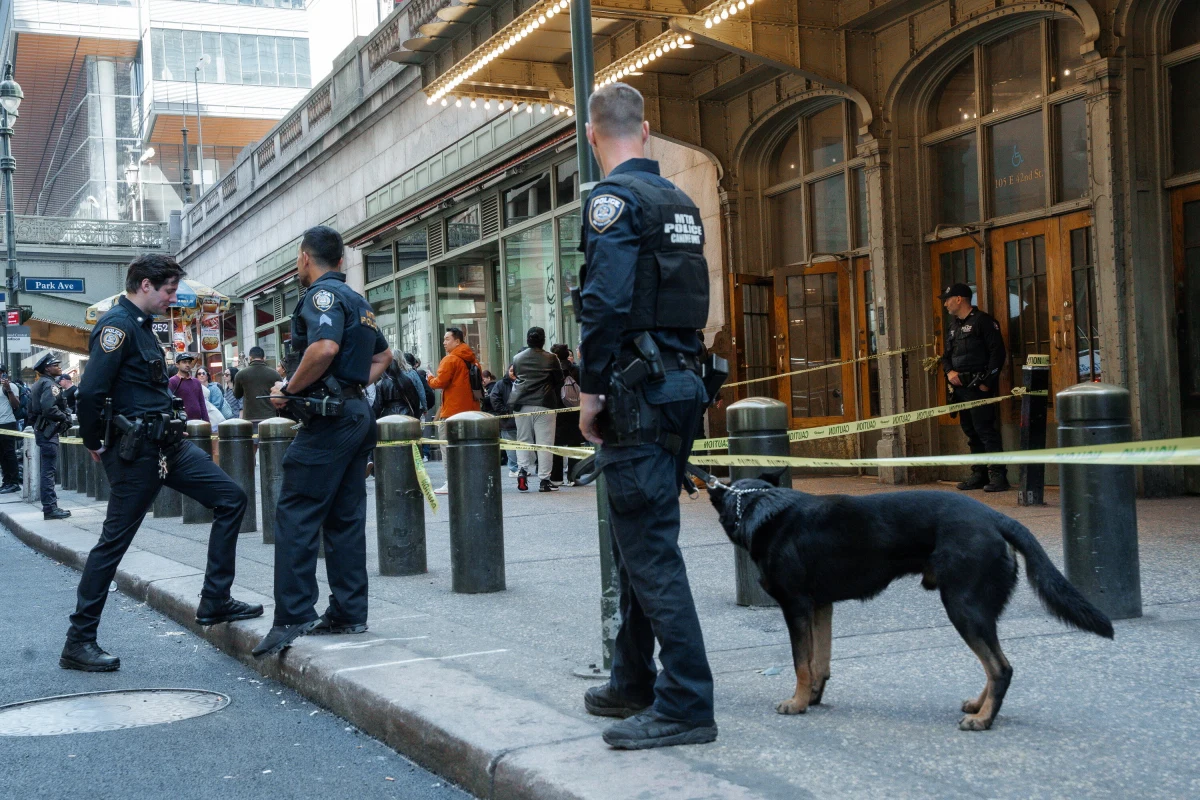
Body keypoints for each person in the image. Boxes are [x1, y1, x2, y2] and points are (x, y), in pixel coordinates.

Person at [575, 83, 717, 749]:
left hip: (634, 392)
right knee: (635, 539)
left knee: (649, 547)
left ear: (591, 133)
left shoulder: (612, 201)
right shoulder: (680, 202)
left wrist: (591, 391)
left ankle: (686, 702)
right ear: (649, 130)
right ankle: (633, 679)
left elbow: (603, 304)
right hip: (680, 386)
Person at [64, 254, 261, 672]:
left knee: (231, 498)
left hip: (168, 446)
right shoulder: (117, 326)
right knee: (113, 543)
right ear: (146, 284)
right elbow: (90, 392)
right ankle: (78, 641)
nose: (172, 298)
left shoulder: (141, 327)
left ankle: (214, 600)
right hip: (135, 452)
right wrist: (94, 439)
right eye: (168, 290)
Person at [252, 226, 391, 658]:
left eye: (297, 259)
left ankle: (293, 614)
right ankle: (349, 613)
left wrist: (291, 390)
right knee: (344, 517)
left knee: (295, 512)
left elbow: (325, 347)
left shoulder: (321, 296)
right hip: (354, 415)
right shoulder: (359, 301)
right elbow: (383, 356)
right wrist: (347, 389)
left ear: (305, 257)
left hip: (331, 423)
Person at [941, 282, 1009, 492]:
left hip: (978, 386)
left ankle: (998, 476)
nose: (945, 304)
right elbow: (946, 356)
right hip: (960, 389)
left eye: (947, 299)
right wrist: (949, 372)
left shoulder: (984, 322)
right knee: (971, 432)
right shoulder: (953, 327)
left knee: (985, 430)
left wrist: (986, 385)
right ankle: (978, 474)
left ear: (959, 299)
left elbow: (997, 355)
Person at [509, 327, 564, 493]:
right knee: (545, 443)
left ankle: (522, 472)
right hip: (544, 402)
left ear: (527, 340)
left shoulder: (517, 358)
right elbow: (558, 379)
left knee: (523, 439)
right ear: (543, 340)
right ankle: (544, 481)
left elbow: (517, 375)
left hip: (521, 403)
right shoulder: (551, 358)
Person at [427, 327, 480, 495]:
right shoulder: (472, 360)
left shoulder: (450, 360)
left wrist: (428, 376)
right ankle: (469, 481)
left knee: (448, 448)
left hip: (451, 413)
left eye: (447, 339)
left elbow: (438, 383)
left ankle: (452, 482)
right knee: (468, 448)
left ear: (457, 341)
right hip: (471, 412)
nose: (444, 342)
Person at [29, 352, 72, 520]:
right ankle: (50, 508)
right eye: (55, 365)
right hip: (49, 432)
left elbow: (31, 411)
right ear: (47, 368)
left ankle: (50, 506)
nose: (59, 367)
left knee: (47, 470)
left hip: (44, 431)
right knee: (49, 471)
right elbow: (49, 408)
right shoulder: (49, 384)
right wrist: (65, 417)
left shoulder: (40, 383)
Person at [549, 343, 583, 485]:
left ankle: (556, 478)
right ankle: (574, 476)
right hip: (575, 411)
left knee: (556, 444)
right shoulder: (577, 370)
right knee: (575, 443)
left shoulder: (551, 371)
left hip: (557, 410)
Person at [234, 346, 280, 425]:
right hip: (270, 418)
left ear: (250, 358)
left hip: (250, 418)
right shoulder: (275, 374)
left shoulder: (240, 374)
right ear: (264, 358)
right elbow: (280, 395)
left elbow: (237, 395)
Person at [489, 364, 519, 477]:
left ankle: (521, 467)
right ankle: (513, 468)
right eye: (511, 370)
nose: (513, 373)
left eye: (516, 371)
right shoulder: (501, 384)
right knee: (511, 446)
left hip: (521, 420)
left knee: (522, 445)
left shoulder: (522, 383)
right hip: (507, 421)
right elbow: (494, 398)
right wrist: (504, 411)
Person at [168, 353, 209, 423]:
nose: (187, 365)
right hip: (181, 423)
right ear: (177, 365)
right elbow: (169, 404)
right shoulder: (172, 381)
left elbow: (202, 404)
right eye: (184, 362)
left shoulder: (196, 382)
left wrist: (207, 422)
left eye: (189, 362)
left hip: (197, 422)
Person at [0, 365, 21, 493]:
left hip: (7, 423)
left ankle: (14, 482)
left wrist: (8, 390)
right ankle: (6, 481)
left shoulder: (11, 386)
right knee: (1, 455)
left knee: (9, 453)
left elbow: (16, 405)